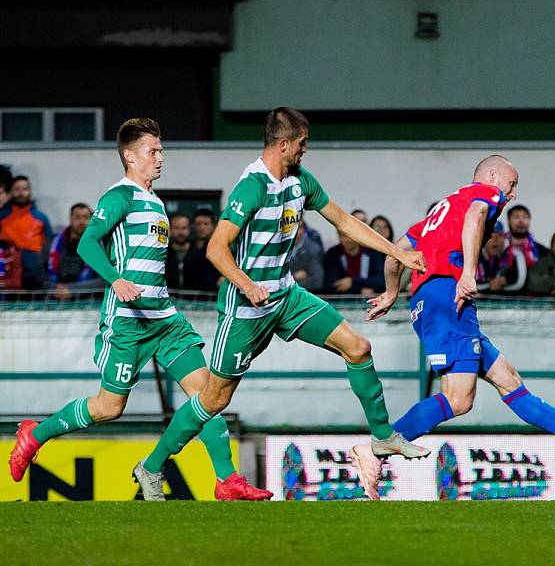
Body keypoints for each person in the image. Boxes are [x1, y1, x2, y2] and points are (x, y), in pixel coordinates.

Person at [132, 107, 430, 501]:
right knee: (214, 398)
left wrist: (398, 252)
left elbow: (342, 220)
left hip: (287, 296)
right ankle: (152, 466)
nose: (307, 150)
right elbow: (216, 249)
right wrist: (246, 284)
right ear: (284, 143)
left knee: (358, 348)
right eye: (303, 143)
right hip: (246, 309)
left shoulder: (300, 181)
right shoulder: (252, 186)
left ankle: (382, 438)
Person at [8, 118, 270, 501]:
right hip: (129, 322)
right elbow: (87, 244)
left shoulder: (155, 201)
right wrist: (116, 279)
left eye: (161, 150)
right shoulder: (121, 196)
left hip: (165, 320)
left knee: (209, 394)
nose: (161, 157)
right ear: (130, 156)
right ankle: (36, 433)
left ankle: (226, 480)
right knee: (108, 407)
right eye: (153, 151)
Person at [361, 155, 555, 499]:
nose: (512, 194)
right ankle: (376, 450)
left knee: (509, 380)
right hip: (447, 295)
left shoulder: (443, 208)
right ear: (491, 176)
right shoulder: (483, 195)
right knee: (458, 399)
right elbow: (475, 217)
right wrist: (469, 272)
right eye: (512, 184)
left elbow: (397, 250)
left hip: (431, 299)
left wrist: (392, 292)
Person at [0, 175, 53, 289]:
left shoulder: (41, 218)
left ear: (30, 191)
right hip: (7, 276)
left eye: (24, 189)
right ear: (11, 192)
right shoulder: (2, 217)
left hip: (34, 276)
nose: (21, 193)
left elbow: (49, 248)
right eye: (17, 189)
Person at [47, 202, 103, 300]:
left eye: (85, 217)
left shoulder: (99, 246)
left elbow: (103, 280)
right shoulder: (53, 243)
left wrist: (72, 289)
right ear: (70, 218)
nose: (81, 221)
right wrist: (54, 288)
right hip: (54, 297)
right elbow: (39, 274)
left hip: (86, 301)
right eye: (77, 217)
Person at [323, 230, 386, 295]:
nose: (348, 240)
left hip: (372, 299)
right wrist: (359, 290)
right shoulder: (332, 253)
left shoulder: (372, 252)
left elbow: (380, 281)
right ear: (339, 236)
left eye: (350, 235)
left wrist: (353, 282)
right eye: (343, 235)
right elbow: (331, 284)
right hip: (342, 301)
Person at [476, 221, 524, 294]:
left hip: (507, 302)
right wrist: (489, 285)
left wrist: (505, 283)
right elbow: (467, 282)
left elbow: (520, 283)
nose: (495, 240)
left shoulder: (515, 254)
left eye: (499, 235)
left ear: (504, 238)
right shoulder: (474, 255)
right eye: (490, 236)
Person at [288, 218, 324, 292]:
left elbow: (317, 281)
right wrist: (294, 277)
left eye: (299, 228)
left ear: (304, 230)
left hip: (307, 295)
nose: (295, 232)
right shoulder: (277, 248)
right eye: (291, 227)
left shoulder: (314, 249)